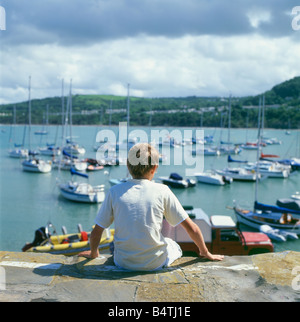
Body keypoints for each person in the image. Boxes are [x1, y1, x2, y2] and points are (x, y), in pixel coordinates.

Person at [78, 143, 224, 271]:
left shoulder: (114, 192)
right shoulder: (163, 190)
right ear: (154, 168)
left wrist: (93, 254)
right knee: (172, 244)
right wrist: (205, 252)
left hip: (122, 262)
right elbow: (192, 229)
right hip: (155, 263)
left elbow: (97, 232)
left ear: (128, 166)